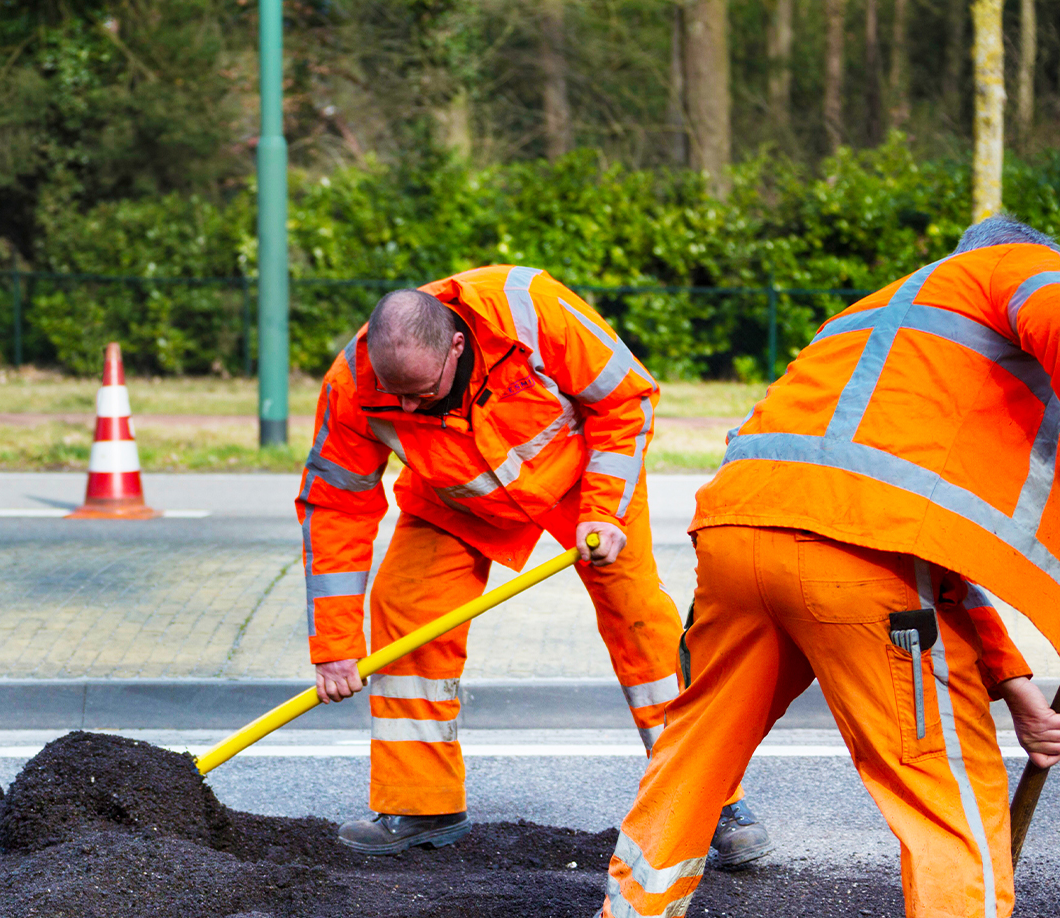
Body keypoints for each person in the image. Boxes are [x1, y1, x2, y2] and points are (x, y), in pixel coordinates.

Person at [578, 215, 1060, 918]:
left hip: (739, 538)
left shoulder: (880, 321)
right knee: (949, 804)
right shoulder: (1017, 272)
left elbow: (925, 552)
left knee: (696, 753)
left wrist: (1013, 688)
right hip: (857, 563)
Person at [298, 265, 772, 863]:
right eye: (401, 397)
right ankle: (420, 803)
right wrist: (335, 643)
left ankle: (711, 800)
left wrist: (603, 512)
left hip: (583, 477)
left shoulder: (532, 309)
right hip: (458, 495)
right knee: (406, 613)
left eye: (424, 391)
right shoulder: (353, 386)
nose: (410, 404)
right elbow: (336, 507)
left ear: (458, 344)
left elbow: (627, 401)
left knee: (641, 622)